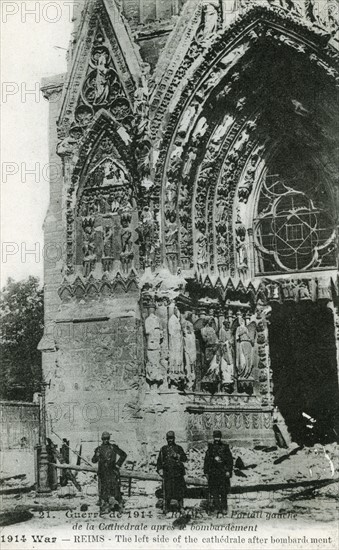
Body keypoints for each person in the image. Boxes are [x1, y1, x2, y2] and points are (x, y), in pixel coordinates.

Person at [92, 432, 127, 512]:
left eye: (107, 438)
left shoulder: (113, 447)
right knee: (104, 490)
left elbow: (123, 455)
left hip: (112, 472)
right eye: (104, 439)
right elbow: (93, 461)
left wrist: (118, 464)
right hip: (102, 473)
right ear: (102, 439)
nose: (106, 440)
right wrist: (96, 456)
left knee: (115, 489)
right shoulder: (99, 449)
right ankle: (105, 506)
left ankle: (119, 505)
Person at [156, 431, 187, 513]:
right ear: (166, 439)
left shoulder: (179, 448)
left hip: (178, 474)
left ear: (174, 438)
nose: (170, 440)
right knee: (167, 491)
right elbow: (159, 461)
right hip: (167, 474)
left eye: (171, 438)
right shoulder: (163, 449)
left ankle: (181, 507)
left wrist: (177, 456)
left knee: (179, 491)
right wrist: (160, 470)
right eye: (168, 439)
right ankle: (167, 507)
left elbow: (184, 458)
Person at [204, 430, 233, 513]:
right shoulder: (210, 448)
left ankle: (224, 508)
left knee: (223, 491)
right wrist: (206, 472)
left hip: (222, 473)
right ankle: (216, 507)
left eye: (218, 437)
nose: (217, 439)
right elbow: (206, 461)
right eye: (215, 437)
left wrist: (228, 471)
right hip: (213, 473)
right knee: (214, 491)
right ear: (213, 437)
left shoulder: (225, 448)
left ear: (220, 438)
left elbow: (230, 461)